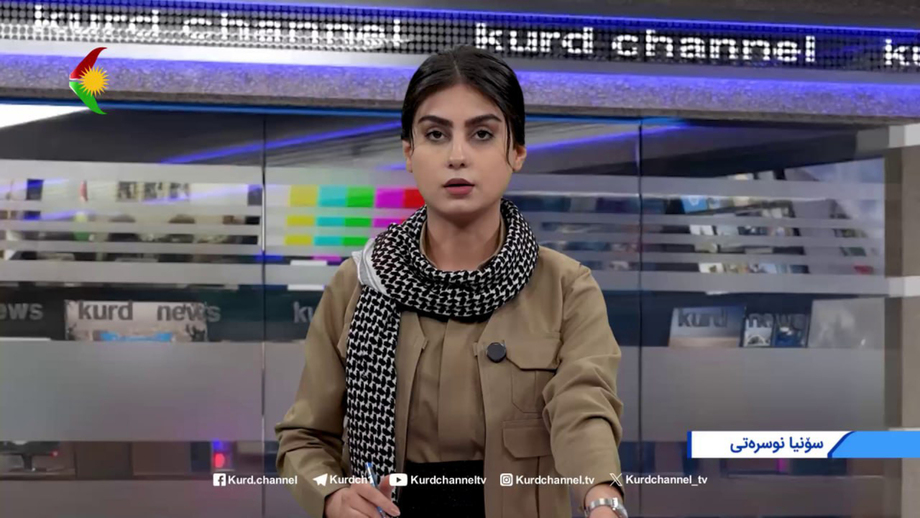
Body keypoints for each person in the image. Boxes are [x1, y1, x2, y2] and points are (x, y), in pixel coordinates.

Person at [275, 45, 626, 518]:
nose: (457, 156)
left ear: (517, 152)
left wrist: (602, 499)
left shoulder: (566, 287)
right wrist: (333, 496)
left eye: (482, 134)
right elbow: (304, 438)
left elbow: (583, 409)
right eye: (436, 134)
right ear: (409, 152)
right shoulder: (358, 284)